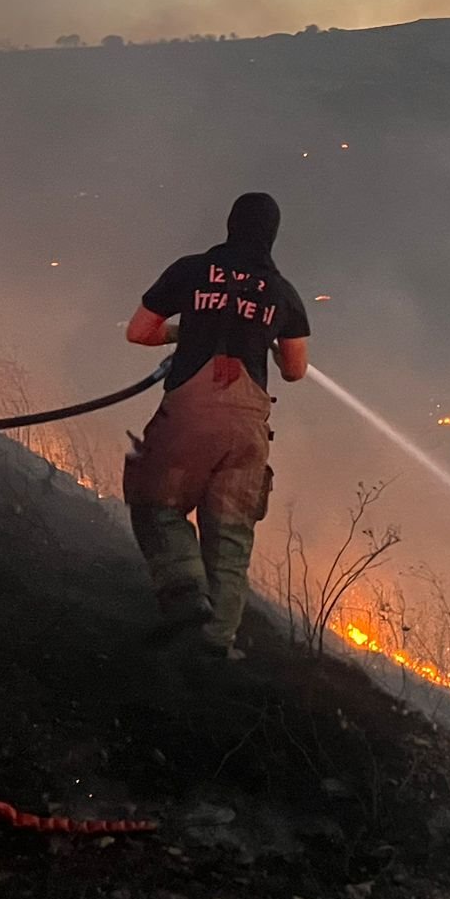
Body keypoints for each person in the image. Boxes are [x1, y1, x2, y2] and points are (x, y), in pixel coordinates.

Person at [122, 192, 309, 658]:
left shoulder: (190, 270)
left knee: (156, 504)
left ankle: (185, 591)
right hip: (247, 430)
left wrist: (183, 332)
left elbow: (138, 331)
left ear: (229, 224)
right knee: (230, 535)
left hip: (188, 413)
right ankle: (217, 645)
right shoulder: (283, 293)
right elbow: (295, 370)